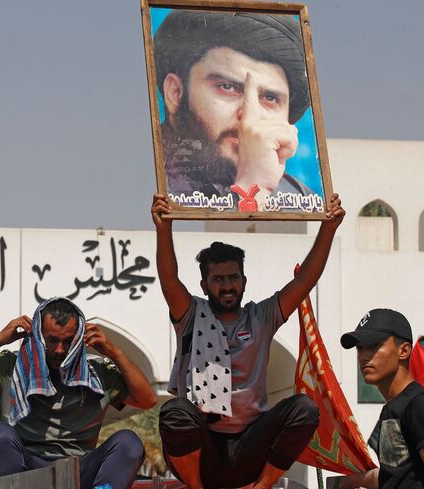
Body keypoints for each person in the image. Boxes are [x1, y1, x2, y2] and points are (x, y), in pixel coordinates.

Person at [151, 192, 344, 489]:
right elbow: (168, 281)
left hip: (250, 449)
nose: (227, 286)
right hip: (204, 453)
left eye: (233, 278)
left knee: (304, 408)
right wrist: (164, 229)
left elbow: (305, 280)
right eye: (218, 279)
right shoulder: (191, 315)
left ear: (244, 281)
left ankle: (261, 487)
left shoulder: (261, 318)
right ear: (204, 285)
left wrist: (328, 227)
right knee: (175, 412)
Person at [0, 297, 157, 489]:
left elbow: (147, 400)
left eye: (67, 340)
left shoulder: (97, 374)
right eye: (52, 340)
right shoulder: (13, 369)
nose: (60, 350)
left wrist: (114, 352)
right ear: (37, 335)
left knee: (128, 442)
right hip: (27, 469)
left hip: (81, 468)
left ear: (79, 337)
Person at [154, 10, 319, 211]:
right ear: (175, 93)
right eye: (227, 87)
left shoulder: (302, 200)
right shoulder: (143, 182)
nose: (250, 117)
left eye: (270, 98)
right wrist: (250, 191)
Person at [339, 309, 424, 489]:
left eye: (373, 345)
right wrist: (354, 480)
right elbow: (398, 476)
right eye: (359, 348)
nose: (363, 356)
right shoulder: (393, 407)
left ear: (404, 350)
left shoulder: (420, 404)